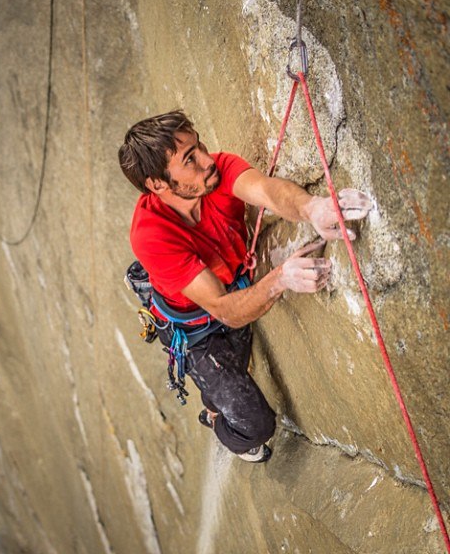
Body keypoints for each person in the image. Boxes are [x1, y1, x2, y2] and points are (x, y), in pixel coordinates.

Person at [118, 110, 372, 462]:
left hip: (229, 294)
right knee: (256, 424)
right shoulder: (151, 236)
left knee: (233, 372)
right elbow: (225, 310)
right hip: (197, 332)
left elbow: (266, 190)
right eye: (190, 160)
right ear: (157, 184)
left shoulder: (214, 174)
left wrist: (313, 207)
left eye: (199, 146)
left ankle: (216, 396)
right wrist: (281, 278)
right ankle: (215, 419)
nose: (207, 161)